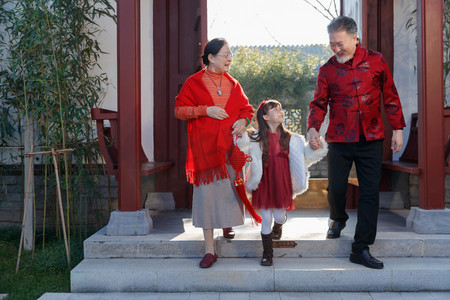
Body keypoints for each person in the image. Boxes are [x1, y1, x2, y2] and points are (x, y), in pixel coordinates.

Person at [307, 16, 406, 269]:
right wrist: (312, 129)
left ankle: (360, 247)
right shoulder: (327, 70)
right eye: (332, 44)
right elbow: (318, 103)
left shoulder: (376, 60)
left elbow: (390, 95)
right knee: (337, 188)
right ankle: (337, 218)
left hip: (372, 137)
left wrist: (398, 129)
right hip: (339, 138)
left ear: (354, 38)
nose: (336, 49)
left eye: (340, 43)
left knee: (369, 193)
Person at [174, 38, 254, 268]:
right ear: (211, 57)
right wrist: (205, 110)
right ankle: (209, 250)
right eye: (225, 54)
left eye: (231, 54)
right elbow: (179, 110)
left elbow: (247, 109)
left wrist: (243, 121)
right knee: (207, 199)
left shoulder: (234, 83)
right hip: (205, 152)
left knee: (228, 192)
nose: (230, 58)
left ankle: (226, 223)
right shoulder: (194, 82)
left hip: (229, 150)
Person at [238, 100, 327, 266]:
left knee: (278, 215)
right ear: (265, 116)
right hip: (263, 180)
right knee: (266, 217)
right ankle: (267, 254)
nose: (281, 112)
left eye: (281, 109)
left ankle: (279, 224)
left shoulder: (292, 139)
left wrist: (316, 148)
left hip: (281, 181)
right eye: (275, 109)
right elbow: (241, 147)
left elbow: (304, 158)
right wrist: (240, 133)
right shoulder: (255, 138)